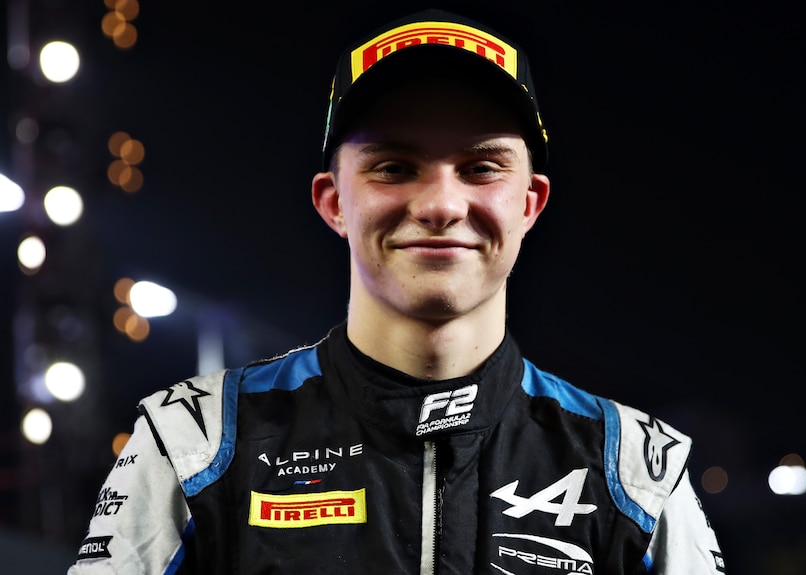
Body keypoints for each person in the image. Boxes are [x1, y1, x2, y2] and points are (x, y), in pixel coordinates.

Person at [68, 8, 724, 574]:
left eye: (480, 166)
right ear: (333, 202)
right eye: (394, 166)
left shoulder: (634, 464)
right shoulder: (195, 441)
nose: (440, 203)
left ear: (530, 203)